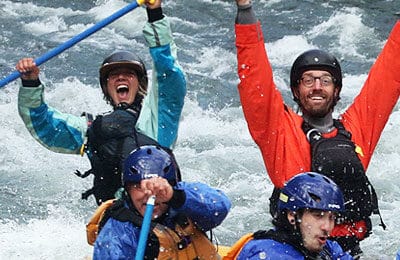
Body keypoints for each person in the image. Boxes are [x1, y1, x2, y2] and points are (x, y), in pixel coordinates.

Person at [234, 0, 400, 257]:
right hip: (294, 249)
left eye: (325, 80)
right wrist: (245, 11)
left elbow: (389, 73)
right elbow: (255, 81)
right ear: (296, 91)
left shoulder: (355, 130)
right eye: (308, 80)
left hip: (345, 250)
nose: (317, 87)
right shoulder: (279, 132)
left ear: (337, 91)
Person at [15, 0, 186, 205]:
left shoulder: (160, 117)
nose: (121, 78)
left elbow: (168, 71)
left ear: (140, 84)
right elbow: (45, 127)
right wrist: (30, 83)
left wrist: (155, 15)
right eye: (114, 75)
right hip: (118, 221)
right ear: (106, 88)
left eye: (129, 74)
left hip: (161, 214)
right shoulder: (93, 130)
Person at [92, 145, 231, 259]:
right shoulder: (117, 234)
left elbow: (221, 206)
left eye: (158, 187)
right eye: (139, 187)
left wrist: (174, 196)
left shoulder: (180, 194)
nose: (150, 194)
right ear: (127, 190)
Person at [231, 172, 352, 260]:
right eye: (318, 216)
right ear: (292, 216)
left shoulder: (327, 249)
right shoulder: (269, 255)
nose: (327, 227)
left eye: (332, 217)